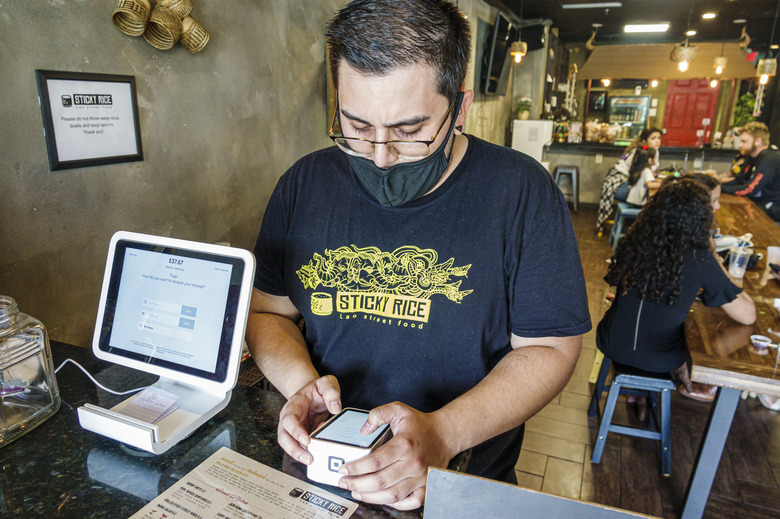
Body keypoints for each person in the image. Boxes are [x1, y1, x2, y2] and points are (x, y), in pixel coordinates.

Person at [245, 0, 590, 510]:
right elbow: (268, 312)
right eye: (357, 128)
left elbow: (551, 349)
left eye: (409, 133)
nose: (381, 157)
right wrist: (304, 386)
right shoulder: (305, 183)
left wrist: (444, 434)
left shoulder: (520, 192)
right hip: (322, 477)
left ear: (461, 108)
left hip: (461, 483)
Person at [597, 179, 756, 415]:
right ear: (697, 217)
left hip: (610, 341)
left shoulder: (633, 241)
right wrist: (712, 254)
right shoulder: (698, 256)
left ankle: (638, 392)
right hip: (658, 359)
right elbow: (748, 315)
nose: (717, 209)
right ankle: (685, 381)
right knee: (705, 336)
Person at [595, 127, 663, 234]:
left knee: (649, 195)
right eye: (653, 138)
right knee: (647, 197)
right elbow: (643, 176)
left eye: (659, 138)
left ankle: (633, 226)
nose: (657, 141)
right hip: (618, 184)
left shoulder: (654, 152)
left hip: (630, 183)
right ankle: (634, 228)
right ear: (644, 141)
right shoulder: (639, 152)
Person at [719, 122, 780, 221]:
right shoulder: (751, 156)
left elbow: (750, 189)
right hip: (759, 205)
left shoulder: (770, 158)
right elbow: (739, 180)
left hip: (772, 212)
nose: (740, 145)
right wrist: (715, 184)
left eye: (744, 141)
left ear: (758, 141)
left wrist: (720, 188)